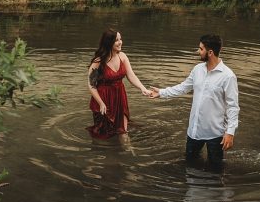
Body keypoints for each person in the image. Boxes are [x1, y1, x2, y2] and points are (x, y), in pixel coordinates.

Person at [150, 34, 239, 170]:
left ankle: (215, 191)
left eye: (201, 49)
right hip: (195, 130)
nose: (198, 51)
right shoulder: (198, 70)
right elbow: (183, 87)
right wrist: (161, 92)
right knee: (190, 163)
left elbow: (233, 106)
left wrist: (230, 133)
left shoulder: (228, 76)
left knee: (216, 169)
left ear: (210, 52)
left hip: (216, 133)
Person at [86, 29, 151, 139]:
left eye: (120, 39)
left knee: (123, 129)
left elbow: (131, 75)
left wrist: (142, 88)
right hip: (103, 98)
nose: (120, 42)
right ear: (108, 42)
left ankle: (128, 149)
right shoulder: (98, 62)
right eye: (116, 40)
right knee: (103, 132)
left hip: (119, 96)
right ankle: (103, 153)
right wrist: (101, 103)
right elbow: (91, 85)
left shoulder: (123, 56)